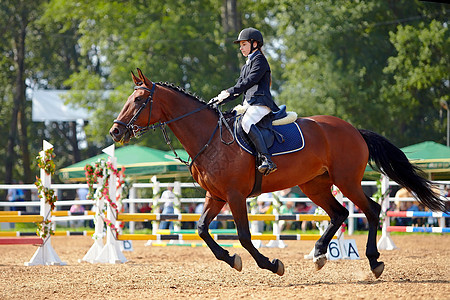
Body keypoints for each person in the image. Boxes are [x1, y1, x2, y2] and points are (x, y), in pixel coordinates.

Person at [210, 27, 279, 175]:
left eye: (244, 44)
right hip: (249, 104)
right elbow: (238, 90)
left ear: (254, 44)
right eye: (240, 45)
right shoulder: (245, 66)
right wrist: (219, 100)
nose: (241, 48)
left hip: (261, 103)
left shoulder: (260, 60)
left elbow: (249, 82)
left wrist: (229, 91)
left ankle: (267, 160)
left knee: (246, 122)